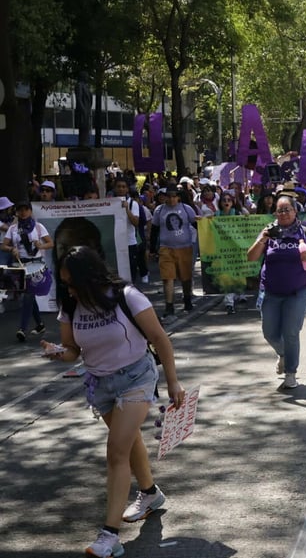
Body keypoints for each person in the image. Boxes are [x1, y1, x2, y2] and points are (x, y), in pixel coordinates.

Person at [40, 245, 185, 558]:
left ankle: (109, 536)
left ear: (89, 278)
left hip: (136, 377)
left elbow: (159, 338)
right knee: (129, 443)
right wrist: (56, 353)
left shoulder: (126, 296)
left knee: (116, 450)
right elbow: (72, 351)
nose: (68, 288)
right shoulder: (71, 304)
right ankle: (150, 494)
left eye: (72, 282)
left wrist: (173, 382)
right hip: (100, 383)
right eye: (65, 283)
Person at [247, 195, 306, 388]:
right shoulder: (269, 232)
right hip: (270, 291)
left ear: (295, 211)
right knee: (269, 333)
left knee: (291, 332)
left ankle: (290, 372)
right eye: (279, 210)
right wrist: (262, 239)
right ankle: (283, 354)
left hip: (298, 291)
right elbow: (251, 257)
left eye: (287, 210)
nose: (283, 213)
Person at [2, 200, 54, 341]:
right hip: (20, 266)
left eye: (26, 209)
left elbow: (50, 243)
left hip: (35, 265)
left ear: (30, 211)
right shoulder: (13, 229)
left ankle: (22, 329)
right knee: (28, 295)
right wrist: (11, 249)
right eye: (20, 210)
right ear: (17, 212)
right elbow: (3, 245)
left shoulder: (38, 227)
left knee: (28, 296)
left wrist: (40, 246)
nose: (23, 212)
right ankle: (40, 324)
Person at [151, 184, 197, 321]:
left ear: (178, 197)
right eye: (169, 196)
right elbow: (154, 230)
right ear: (164, 197)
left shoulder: (186, 209)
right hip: (166, 249)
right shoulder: (159, 210)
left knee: (185, 277)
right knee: (167, 277)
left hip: (185, 247)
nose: (171, 199)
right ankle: (169, 306)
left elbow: (197, 225)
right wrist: (153, 249)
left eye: (174, 196)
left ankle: (187, 300)